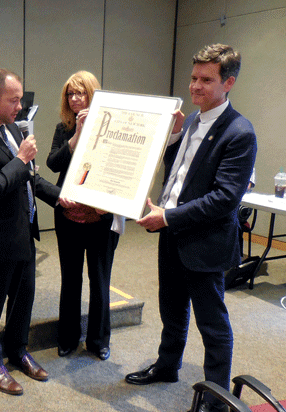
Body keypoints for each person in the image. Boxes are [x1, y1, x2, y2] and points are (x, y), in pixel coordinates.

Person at [125, 44, 257, 412]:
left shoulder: (239, 132)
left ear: (228, 82)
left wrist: (168, 215)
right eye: (194, 77)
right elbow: (181, 173)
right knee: (172, 308)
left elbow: (224, 199)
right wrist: (170, 141)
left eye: (206, 80)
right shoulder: (194, 122)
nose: (195, 86)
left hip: (205, 241)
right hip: (172, 235)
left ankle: (215, 401)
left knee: (212, 325)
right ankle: (168, 366)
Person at [0, 69, 76, 396]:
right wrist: (21, 158)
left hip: (22, 234)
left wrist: (58, 197)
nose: (20, 107)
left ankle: (18, 351)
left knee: (24, 300)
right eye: (14, 100)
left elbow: (29, 178)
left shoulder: (8, 127)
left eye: (21, 99)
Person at [46, 71, 124, 360]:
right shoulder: (63, 127)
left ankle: (99, 340)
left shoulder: (111, 128)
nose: (75, 98)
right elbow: (53, 164)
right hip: (68, 214)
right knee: (71, 279)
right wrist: (77, 136)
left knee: (100, 279)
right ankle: (67, 337)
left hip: (101, 216)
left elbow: (120, 167)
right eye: (70, 94)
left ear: (93, 95)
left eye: (81, 93)